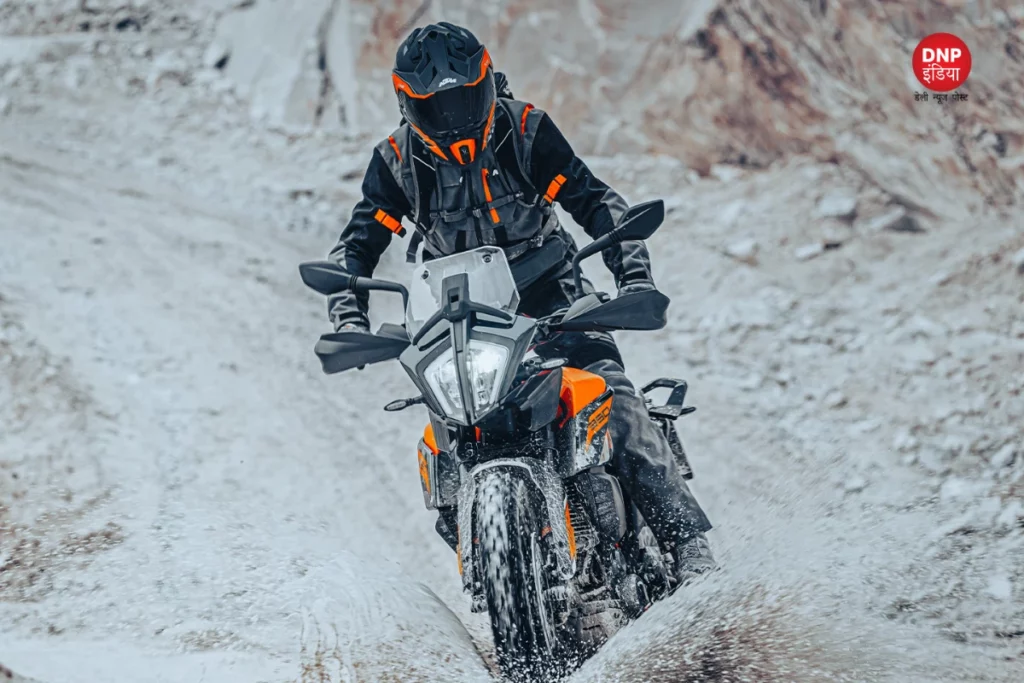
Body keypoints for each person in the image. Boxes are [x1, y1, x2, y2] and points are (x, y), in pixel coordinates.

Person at [325, 22, 715, 582]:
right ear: (408, 104)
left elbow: (597, 203)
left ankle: (687, 545)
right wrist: (348, 316)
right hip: (462, 317)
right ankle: (497, 561)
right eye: (436, 106)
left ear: (486, 83)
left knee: (613, 399)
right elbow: (355, 247)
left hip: (553, 297)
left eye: (464, 98)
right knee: (449, 441)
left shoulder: (525, 130)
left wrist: (632, 277)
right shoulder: (395, 161)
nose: (454, 116)